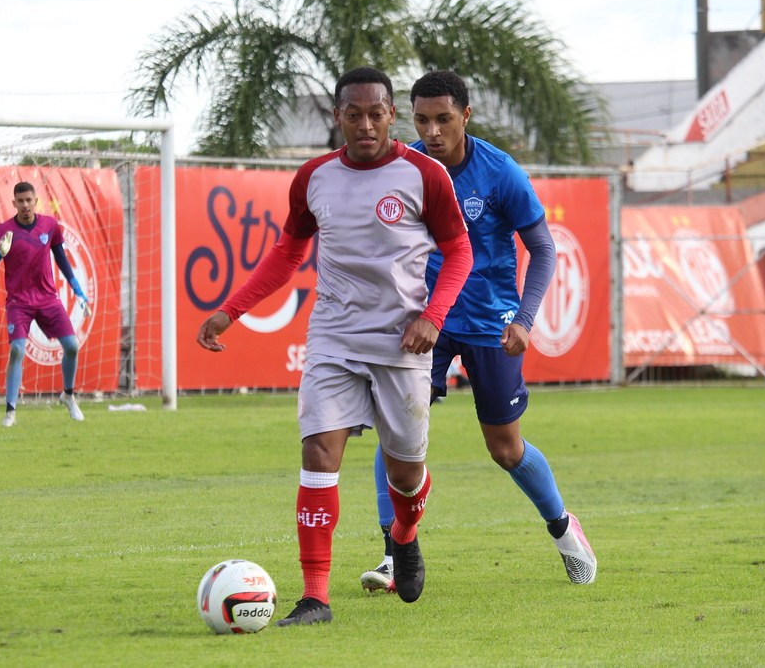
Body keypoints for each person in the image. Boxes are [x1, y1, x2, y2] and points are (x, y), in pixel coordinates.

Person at [196, 67, 474, 626]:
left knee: (405, 474)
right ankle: (315, 596)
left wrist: (432, 317)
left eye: (376, 113)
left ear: (391, 114)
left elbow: (460, 251)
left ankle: (405, 533)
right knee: (318, 452)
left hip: (402, 343)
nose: (366, 124)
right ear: (338, 117)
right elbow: (287, 253)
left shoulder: (426, 175)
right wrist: (230, 311)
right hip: (333, 337)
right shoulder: (313, 178)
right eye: (354, 114)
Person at [360, 70, 596, 592]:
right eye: (422, 120)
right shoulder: (403, 169)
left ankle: (562, 528)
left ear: (465, 115)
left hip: (491, 323)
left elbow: (543, 249)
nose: (433, 131)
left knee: (505, 449)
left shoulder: (499, 172)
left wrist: (525, 319)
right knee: (398, 430)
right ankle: (392, 553)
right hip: (427, 320)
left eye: (444, 119)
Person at [0, 181, 91, 427]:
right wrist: (0, 253)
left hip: (48, 299)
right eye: (20, 201)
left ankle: (68, 396)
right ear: (14, 203)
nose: (25, 205)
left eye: (29, 200)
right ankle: (10, 413)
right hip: (19, 302)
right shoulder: (3, 231)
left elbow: (61, 259)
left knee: (72, 346)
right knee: (17, 350)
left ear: (35, 201)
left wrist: (79, 291)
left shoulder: (49, 226)